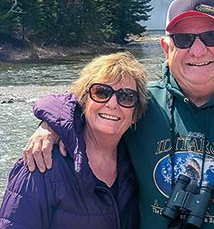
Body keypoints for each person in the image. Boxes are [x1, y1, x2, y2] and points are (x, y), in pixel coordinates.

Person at [20, 0, 214, 229]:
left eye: (212, 36)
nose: (198, 50)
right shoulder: (140, 103)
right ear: (166, 48)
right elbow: (92, 102)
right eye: (183, 39)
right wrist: (51, 123)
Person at [0, 51, 148, 229]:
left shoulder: (136, 163)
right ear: (84, 101)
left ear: (135, 113)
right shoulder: (41, 163)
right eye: (101, 92)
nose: (112, 104)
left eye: (126, 96)